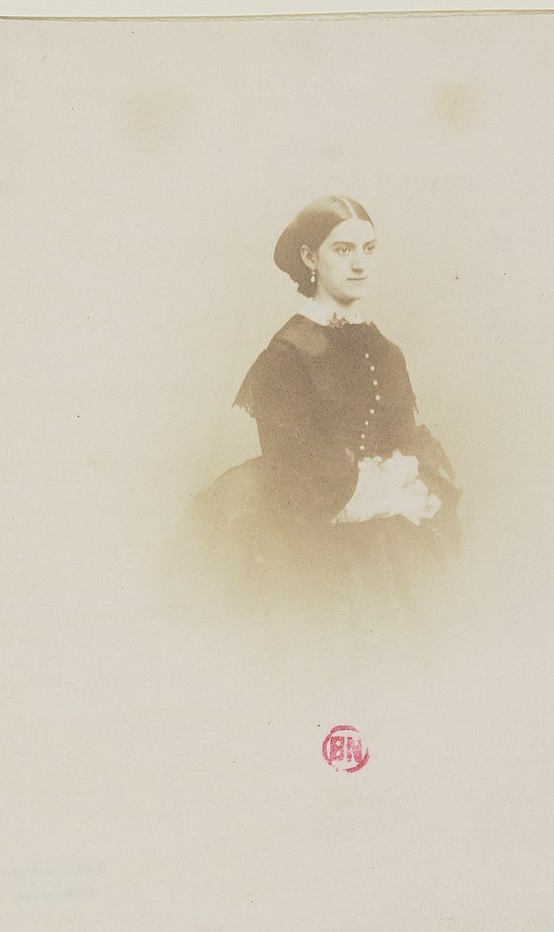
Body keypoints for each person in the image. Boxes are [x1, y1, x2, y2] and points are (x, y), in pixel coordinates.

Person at [191, 195, 460, 618]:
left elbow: (404, 444)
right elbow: (295, 476)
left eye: (369, 249)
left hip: (392, 545)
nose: (360, 265)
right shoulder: (286, 356)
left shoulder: (387, 352)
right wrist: (370, 490)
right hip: (312, 545)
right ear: (309, 257)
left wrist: (400, 484)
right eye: (343, 249)